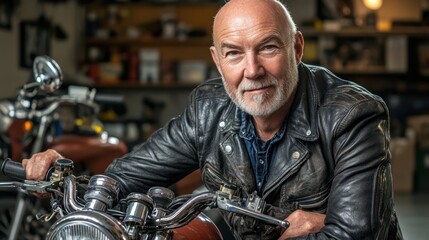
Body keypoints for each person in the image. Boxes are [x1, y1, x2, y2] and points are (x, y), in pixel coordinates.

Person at [23, 0, 403, 239]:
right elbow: (125, 177)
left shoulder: (352, 115)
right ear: (217, 60)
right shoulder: (209, 108)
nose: (252, 70)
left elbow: (354, 234)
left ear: (296, 48)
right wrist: (69, 176)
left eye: (268, 47)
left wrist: (332, 226)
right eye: (234, 54)